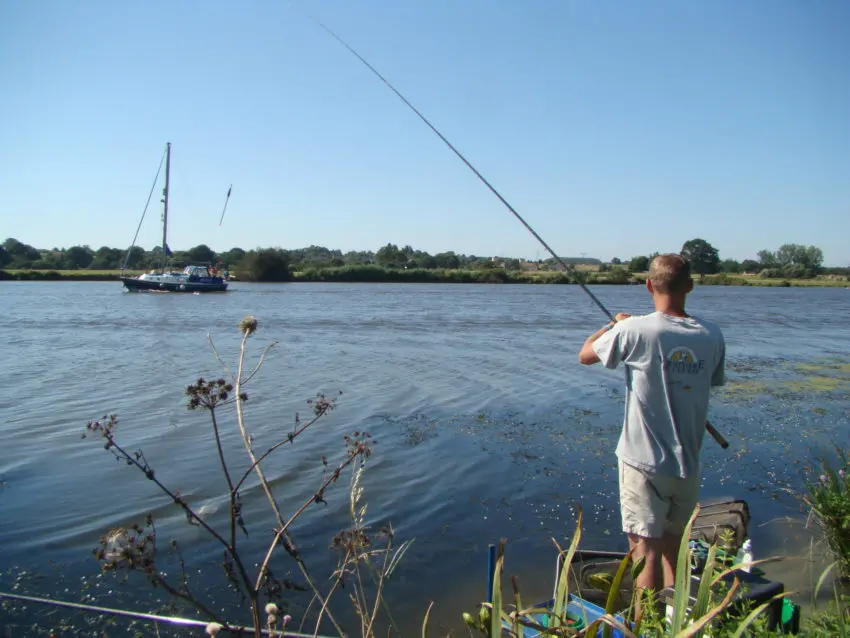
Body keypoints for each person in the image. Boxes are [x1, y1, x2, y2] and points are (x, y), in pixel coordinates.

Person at [577, 253, 726, 605]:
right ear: (689, 286)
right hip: (687, 464)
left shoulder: (634, 330)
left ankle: (647, 626)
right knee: (675, 551)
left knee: (644, 550)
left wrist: (612, 326)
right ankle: (679, 621)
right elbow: (705, 382)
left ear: (649, 285)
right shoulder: (712, 334)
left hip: (641, 462)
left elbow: (585, 355)